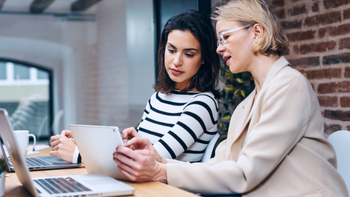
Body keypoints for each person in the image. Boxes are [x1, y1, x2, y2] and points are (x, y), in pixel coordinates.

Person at [113, 1, 349, 196]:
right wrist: (159, 162)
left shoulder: (289, 85)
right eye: (218, 40)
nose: (218, 48)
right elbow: (222, 164)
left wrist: (158, 172)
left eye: (225, 37)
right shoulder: (248, 103)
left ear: (256, 33)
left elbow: (244, 174)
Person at [49, 10, 221, 163]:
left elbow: (151, 160)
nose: (177, 61)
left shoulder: (202, 104)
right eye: (171, 50)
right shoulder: (158, 98)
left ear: (204, 58)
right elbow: (137, 151)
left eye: (189, 54)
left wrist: (78, 155)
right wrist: (85, 143)